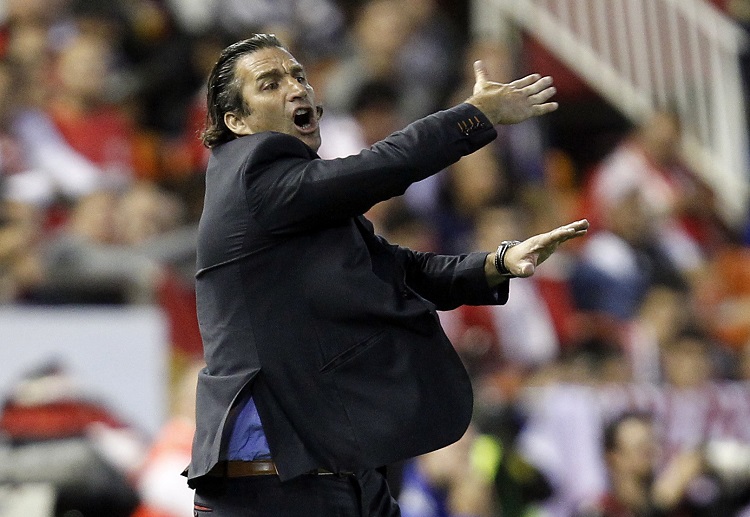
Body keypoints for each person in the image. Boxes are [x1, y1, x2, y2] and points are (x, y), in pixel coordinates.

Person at [185, 33, 589, 516]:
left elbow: (399, 269)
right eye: (270, 84)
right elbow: (382, 166)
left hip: (339, 466)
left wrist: (496, 263)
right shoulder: (251, 174)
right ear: (236, 121)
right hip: (269, 482)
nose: (296, 89)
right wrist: (474, 115)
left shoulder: (298, 202)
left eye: (298, 76)